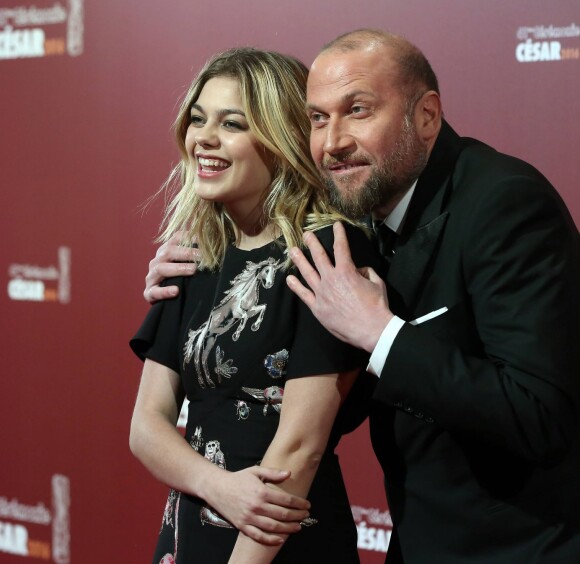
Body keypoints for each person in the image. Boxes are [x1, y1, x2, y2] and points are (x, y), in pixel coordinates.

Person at [145, 30, 580, 563]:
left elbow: (542, 416)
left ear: (426, 116)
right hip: (419, 540)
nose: (333, 142)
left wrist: (381, 334)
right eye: (319, 119)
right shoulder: (356, 226)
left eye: (358, 111)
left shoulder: (503, 203)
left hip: (519, 548)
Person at [130, 47, 382, 564]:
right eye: (198, 119)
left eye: (232, 123)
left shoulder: (326, 254)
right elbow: (146, 426)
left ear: (279, 140)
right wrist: (218, 486)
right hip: (190, 533)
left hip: (279, 541)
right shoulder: (195, 255)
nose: (204, 137)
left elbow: (299, 450)